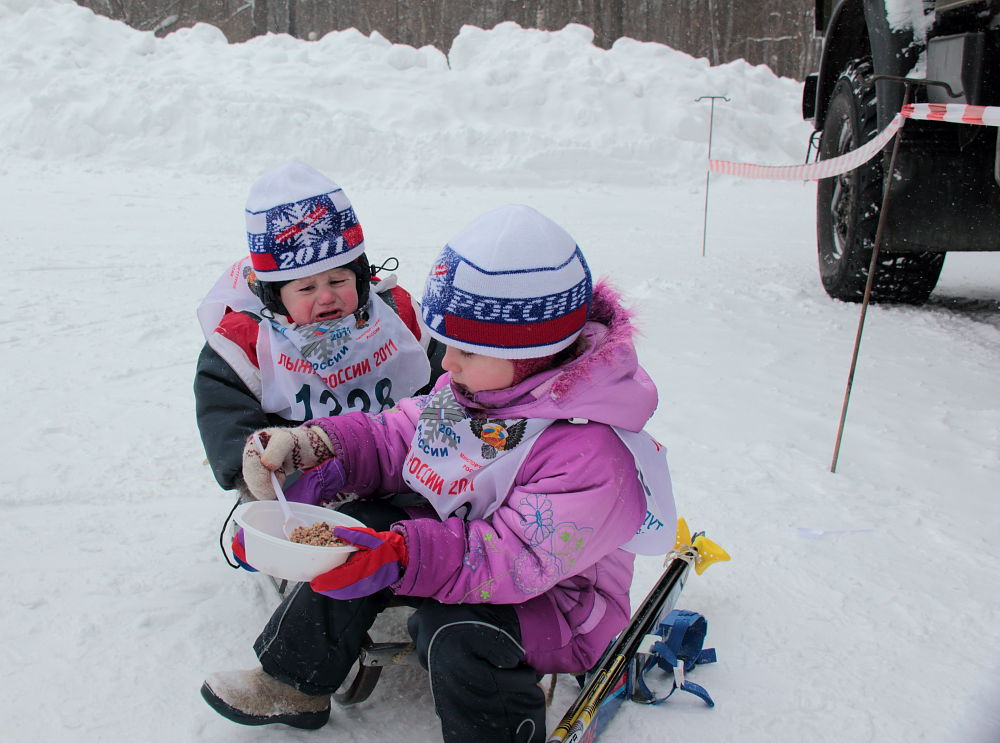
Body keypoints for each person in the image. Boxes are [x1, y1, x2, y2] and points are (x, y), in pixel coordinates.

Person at [200, 205, 677, 742]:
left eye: (465, 349)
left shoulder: (589, 448)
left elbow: (515, 558)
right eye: (446, 343)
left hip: (555, 601)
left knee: (453, 632)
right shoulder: (479, 388)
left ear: (528, 354)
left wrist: (401, 556)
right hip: (457, 550)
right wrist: (315, 450)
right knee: (354, 530)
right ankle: (294, 681)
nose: (445, 363)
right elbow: (399, 436)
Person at [195, 161, 443, 500]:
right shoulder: (249, 340)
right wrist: (248, 468)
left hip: (401, 474)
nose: (326, 297)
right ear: (276, 295)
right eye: (306, 289)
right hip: (305, 489)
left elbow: (446, 380)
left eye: (339, 280)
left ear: (359, 275)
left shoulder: (396, 314)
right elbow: (224, 412)